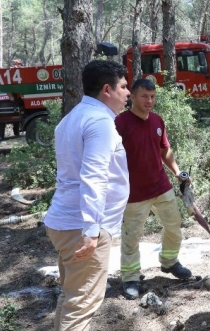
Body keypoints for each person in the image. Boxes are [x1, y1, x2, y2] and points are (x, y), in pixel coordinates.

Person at [43, 60, 130, 331]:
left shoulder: (71, 118)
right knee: (82, 304)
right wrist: (92, 231)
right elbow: (93, 177)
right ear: (107, 89)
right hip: (84, 227)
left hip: (65, 222)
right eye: (124, 87)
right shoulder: (100, 122)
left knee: (73, 297)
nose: (128, 93)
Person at [115, 78, 192, 300]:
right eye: (144, 96)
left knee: (174, 225)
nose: (149, 101)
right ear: (133, 97)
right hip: (134, 193)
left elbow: (164, 149)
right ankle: (130, 277)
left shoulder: (158, 121)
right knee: (131, 237)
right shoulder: (120, 123)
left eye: (153, 97)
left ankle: (169, 262)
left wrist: (177, 172)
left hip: (160, 185)